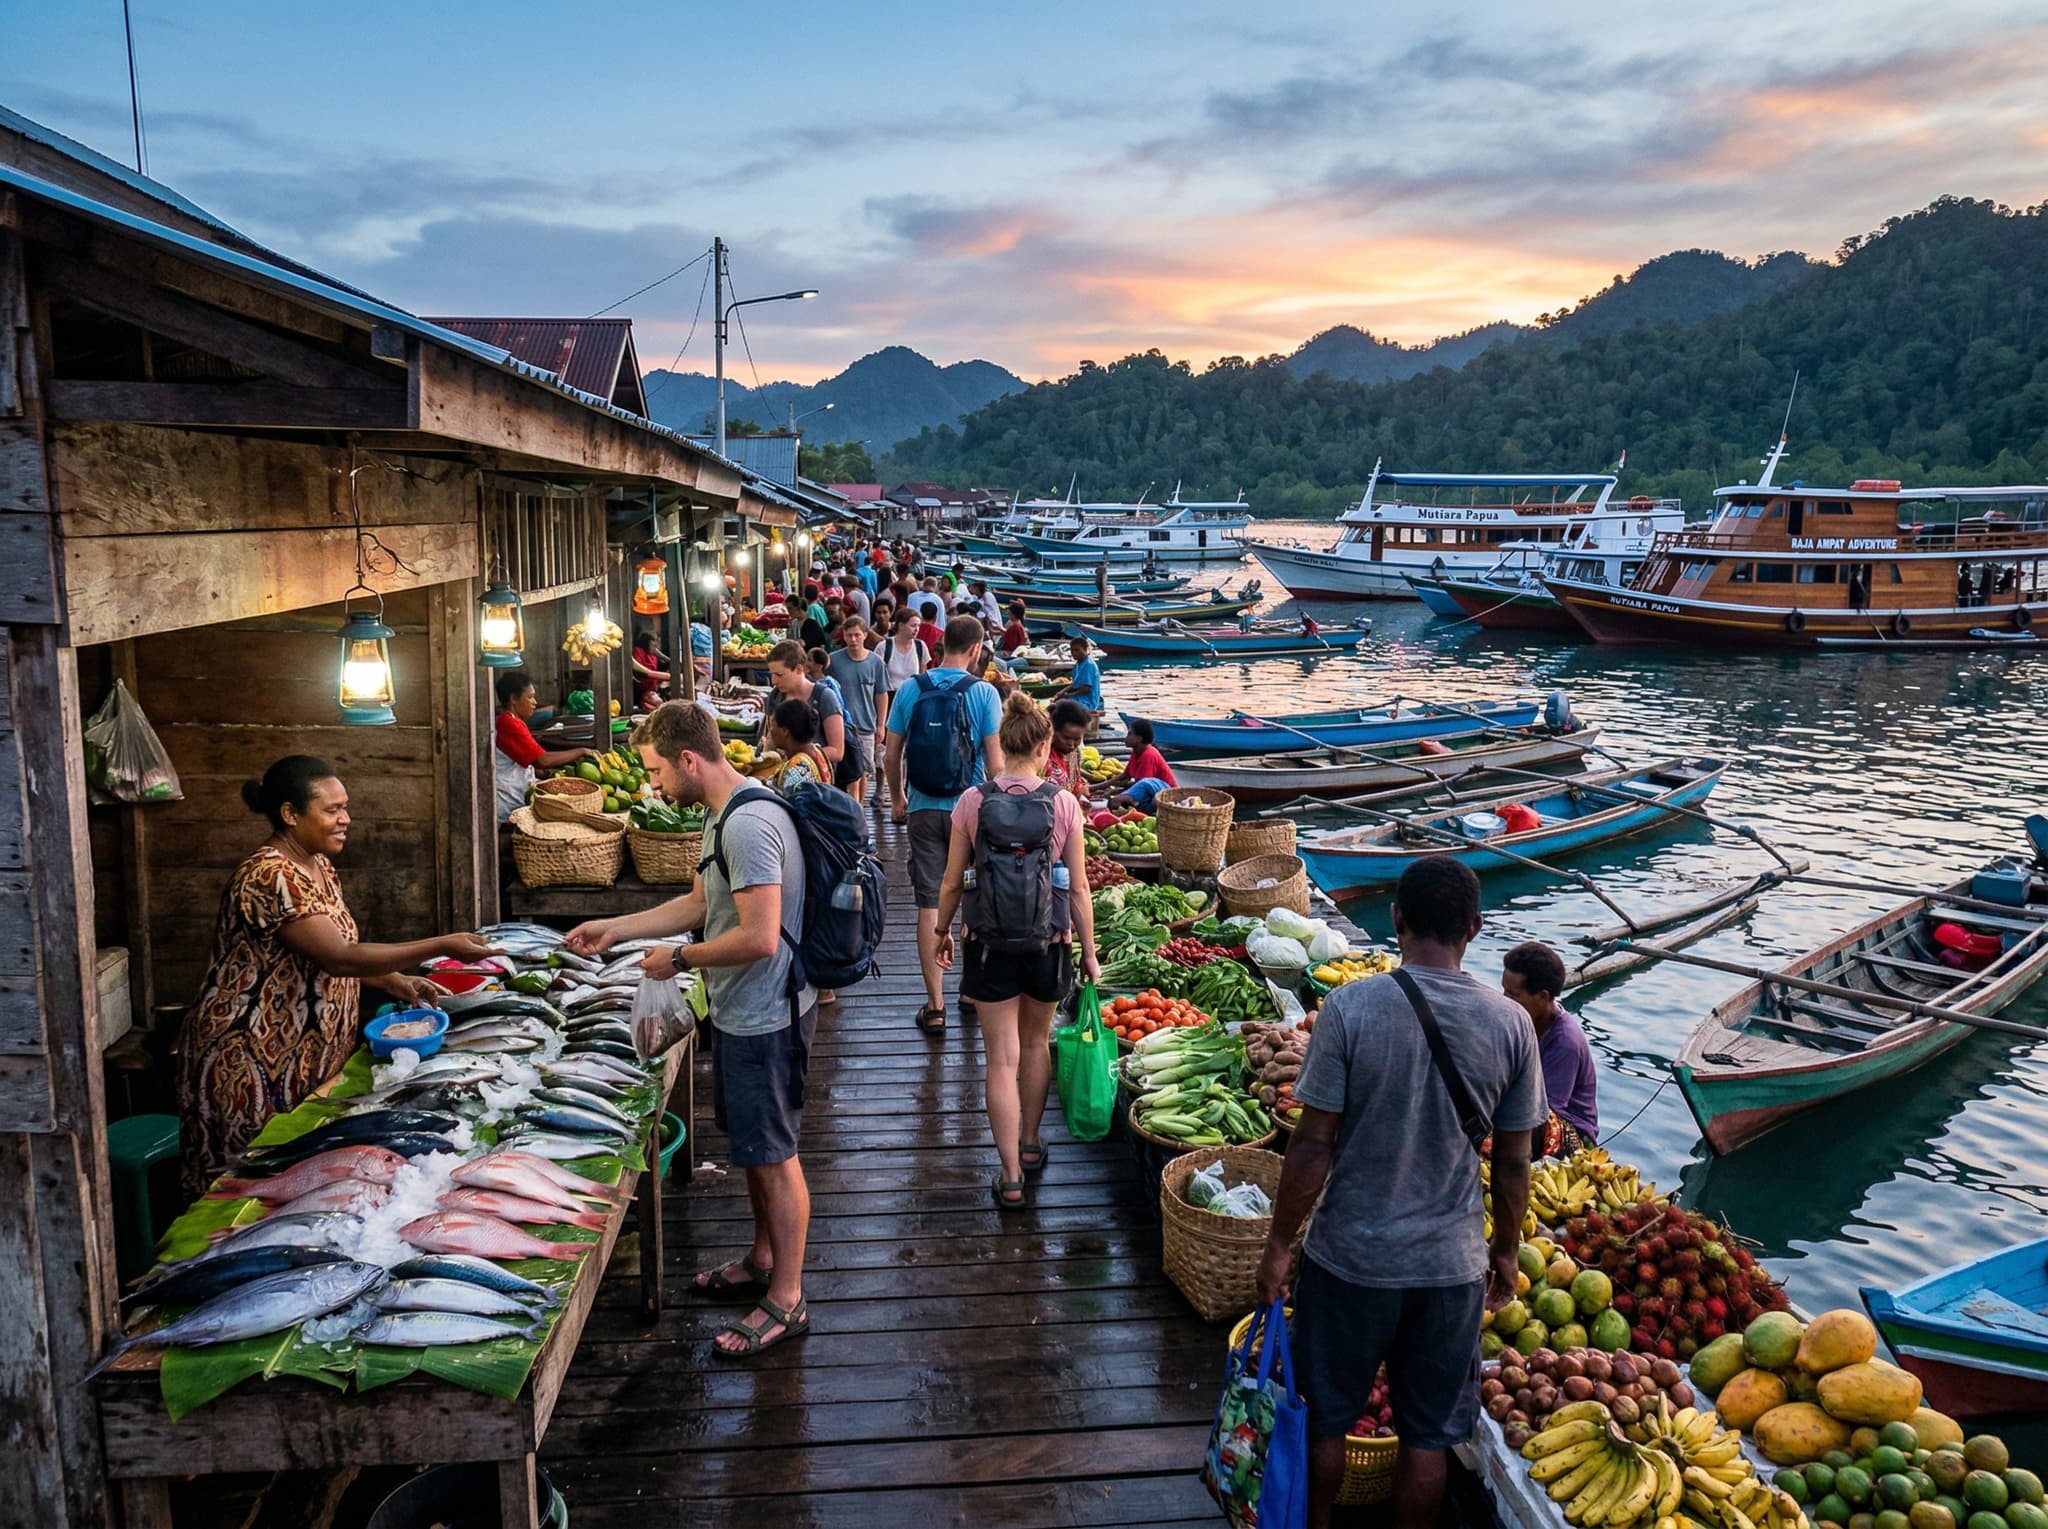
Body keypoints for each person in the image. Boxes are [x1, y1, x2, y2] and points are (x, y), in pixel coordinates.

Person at [1256, 856, 1546, 1529]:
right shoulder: (1510, 1024)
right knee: (1427, 1436)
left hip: (1349, 1257)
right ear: (1474, 929)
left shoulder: (1352, 1006)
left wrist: (1277, 1245)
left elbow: (1311, 1144)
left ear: (1396, 919)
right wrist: (1505, 1252)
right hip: (1449, 1268)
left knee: (1327, 1414)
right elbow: (1513, 1164)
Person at [564, 702, 815, 1358]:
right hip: (739, 1008)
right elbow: (703, 905)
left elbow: (759, 937)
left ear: (689, 760)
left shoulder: (749, 824)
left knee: (777, 1154)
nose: (651, 785)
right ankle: (762, 1259)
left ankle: (786, 1300)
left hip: (768, 1012)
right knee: (754, 1149)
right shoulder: (720, 813)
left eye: (655, 771)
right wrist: (617, 928)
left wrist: (678, 957)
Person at [177, 757, 494, 1196]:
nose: (345, 819)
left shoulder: (318, 865)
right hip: (251, 1060)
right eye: (331, 810)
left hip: (307, 1057)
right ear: (290, 814)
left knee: (304, 1178)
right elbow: (340, 958)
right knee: (251, 1186)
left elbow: (326, 955)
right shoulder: (270, 875)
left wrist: (394, 980)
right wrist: (440, 945)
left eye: (345, 807)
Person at [933, 693, 1101, 1207]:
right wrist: (1089, 951)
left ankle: (1009, 1176)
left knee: (999, 1060)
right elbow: (1077, 888)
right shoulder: (1064, 803)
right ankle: (1030, 1145)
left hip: (988, 945)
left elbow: (952, 881)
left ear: (1002, 745)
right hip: (1048, 943)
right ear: (1047, 745)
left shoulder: (973, 800)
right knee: (1035, 1046)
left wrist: (942, 930)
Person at [885, 615, 1004, 1034]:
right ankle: (970, 991)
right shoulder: (984, 693)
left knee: (929, 903)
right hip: (969, 810)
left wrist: (899, 799)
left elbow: (890, 754)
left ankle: (935, 1006)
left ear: (940, 646)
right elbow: (996, 765)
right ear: (975, 650)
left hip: (922, 809)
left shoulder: (910, 689)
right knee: (970, 897)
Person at [1501, 941, 1598, 1150]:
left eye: (1513, 995)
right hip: (1525, 1106)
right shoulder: (1522, 1022)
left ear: (1543, 997)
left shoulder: (1565, 1041)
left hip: (1568, 1129)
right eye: (1504, 991)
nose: (1504, 1000)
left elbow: (1546, 1110)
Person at [493, 669, 596, 823]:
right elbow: (542, 760)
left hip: (517, 796)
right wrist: (582, 751)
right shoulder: (507, 723)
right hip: (509, 803)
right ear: (513, 699)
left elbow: (529, 761)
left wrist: (549, 775)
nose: (534, 702)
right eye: (530, 697)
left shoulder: (514, 720)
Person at [827, 617, 889, 805]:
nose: (853, 639)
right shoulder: (834, 661)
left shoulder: (876, 662)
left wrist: (881, 724)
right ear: (844, 636)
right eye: (849, 635)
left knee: (862, 770)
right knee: (840, 769)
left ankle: (859, 807)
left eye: (857, 635)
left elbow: (881, 693)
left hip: (865, 724)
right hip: (840, 724)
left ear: (865, 636)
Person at [766, 640, 847, 782]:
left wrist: (797, 759)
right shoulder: (775, 697)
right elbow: (770, 737)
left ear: (798, 669)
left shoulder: (824, 697)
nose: (774, 681)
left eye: (779, 675)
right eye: (772, 674)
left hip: (816, 783)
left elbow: (837, 750)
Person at [1107, 716, 1176, 811]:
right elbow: (1126, 775)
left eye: (1130, 734)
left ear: (1139, 739)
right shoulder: (1136, 752)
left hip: (1165, 795)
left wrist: (1114, 792)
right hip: (1148, 791)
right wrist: (1096, 788)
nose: (1126, 738)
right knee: (1116, 799)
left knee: (1116, 802)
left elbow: (1140, 785)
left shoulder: (1148, 755)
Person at [764, 699, 831, 794]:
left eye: (772, 726)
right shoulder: (817, 751)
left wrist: (766, 753)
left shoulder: (795, 770)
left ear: (785, 731)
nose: (770, 731)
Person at [1043, 698, 1094, 800]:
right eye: (1066, 738)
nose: (1071, 745)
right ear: (1052, 732)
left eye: (1077, 739)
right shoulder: (1043, 756)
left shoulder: (1074, 754)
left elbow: (1074, 784)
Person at [630, 627, 668, 712]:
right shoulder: (637, 652)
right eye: (653, 645)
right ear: (645, 644)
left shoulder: (653, 656)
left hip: (653, 688)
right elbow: (640, 673)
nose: (655, 648)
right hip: (641, 690)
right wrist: (666, 677)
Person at [1063, 635, 1102, 713]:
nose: (1074, 653)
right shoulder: (1077, 665)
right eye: (1072, 650)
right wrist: (1061, 692)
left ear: (1085, 649)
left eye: (1077, 650)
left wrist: (1069, 695)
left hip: (1087, 702)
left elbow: (1086, 689)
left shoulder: (1089, 664)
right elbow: (1074, 684)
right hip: (1078, 698)